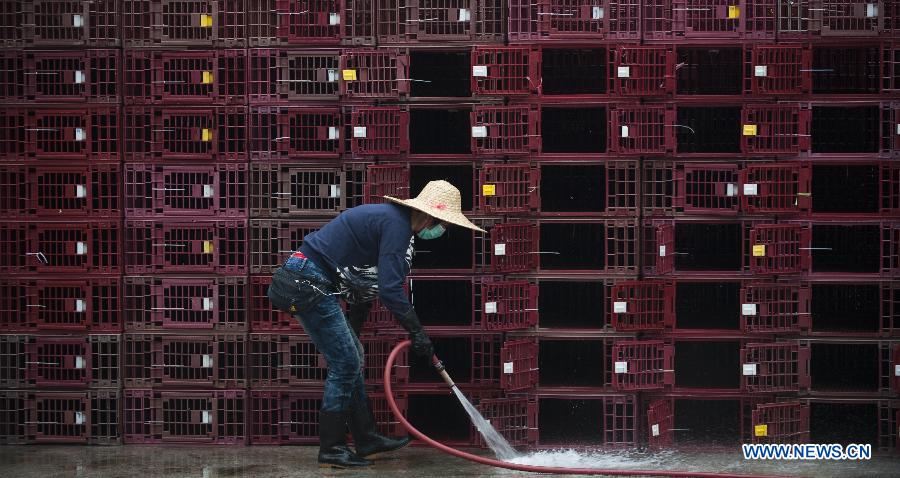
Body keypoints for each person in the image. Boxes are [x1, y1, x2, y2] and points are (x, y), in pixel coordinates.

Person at [267, 180, 485, 468]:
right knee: (345, 363)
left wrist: (354, 332)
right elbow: (390, 289)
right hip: (308, 283)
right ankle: (331, 449)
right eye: (445, 225)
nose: (441, 231)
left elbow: (362, 286)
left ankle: (366, 439)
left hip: (307, 281)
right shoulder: (397, 228)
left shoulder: (388, 220)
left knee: (352, 356)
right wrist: (417, 333)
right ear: (434, 218)